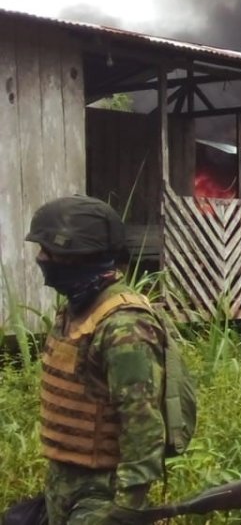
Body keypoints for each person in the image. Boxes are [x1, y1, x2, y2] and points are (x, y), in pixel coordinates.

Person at [25, 195, 167, 524]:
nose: (40, 258)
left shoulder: (123, 324)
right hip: (64, 484)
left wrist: (128, 505)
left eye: (49, 251)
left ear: (79, 256)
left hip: (102, 492)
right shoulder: (76, 309)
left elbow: (142, 423)